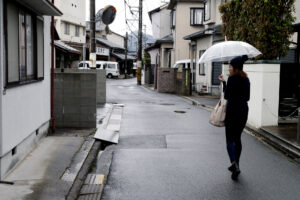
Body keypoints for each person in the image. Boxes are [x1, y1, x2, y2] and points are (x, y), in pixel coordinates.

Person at [218, 55, 250, 180]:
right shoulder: (246, 79)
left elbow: (226, 96)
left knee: (229, 140)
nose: (229, 68)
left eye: (230, 66)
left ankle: (234, 165)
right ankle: (237, 164)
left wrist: (225, 83)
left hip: (232, 112)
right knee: (238, 139)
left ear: (235, 68)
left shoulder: (232, 79)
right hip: (243, 112)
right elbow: (247, 98)